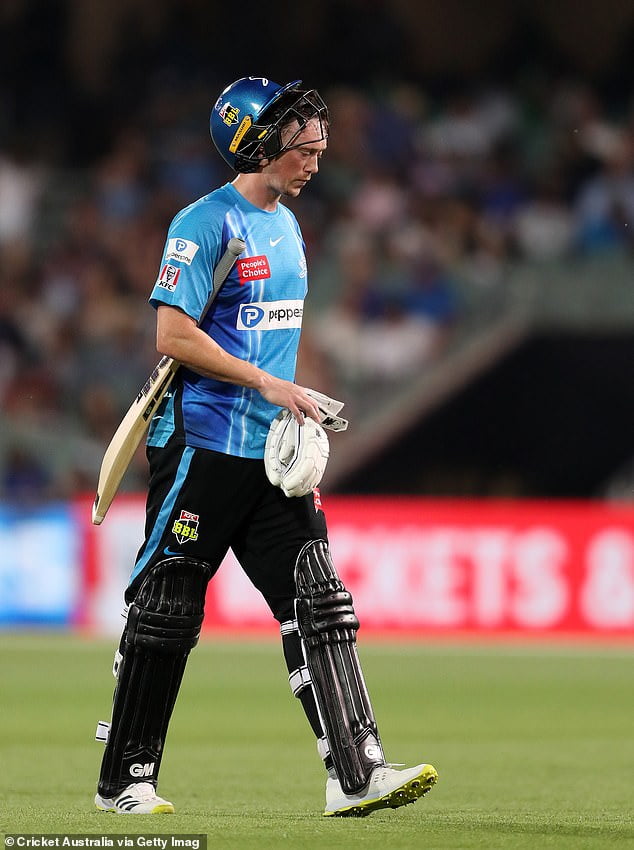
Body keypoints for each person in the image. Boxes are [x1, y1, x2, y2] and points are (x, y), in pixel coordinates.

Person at [93, 76, 438, 817]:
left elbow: (269, 333)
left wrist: (296, 398)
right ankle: (124, 781)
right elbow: (172, 334)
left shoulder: (288, 224)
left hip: (268, 452)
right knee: (168, 611)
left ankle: (355, 773)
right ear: (256, 142)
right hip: (203, 444)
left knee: (320, 600)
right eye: (302, 147)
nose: (316, 160)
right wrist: (266, 382)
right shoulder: (204, 222)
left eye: (319, 147)